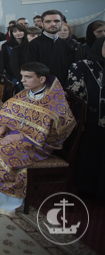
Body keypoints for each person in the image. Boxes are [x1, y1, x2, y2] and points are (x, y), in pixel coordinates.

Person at [0, 63, 75, 215]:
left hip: (38, 145)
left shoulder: (53, 102)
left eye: (28, 77)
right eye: (22, 76)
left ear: (42, 79)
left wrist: (20, 137)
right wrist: (3, 127)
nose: (22, 80)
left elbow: (53, 133)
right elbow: (12, 113)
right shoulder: (25, 93)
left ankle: (4, 201)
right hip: (13, 135)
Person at [66, 36, 105, 199]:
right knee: (90, 156)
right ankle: (88, 190)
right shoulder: (82, 66)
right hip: (90, 122)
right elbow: (74, 96)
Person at [25, 10, 74, 85]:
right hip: (42, 87)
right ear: (42, 24)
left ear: (62, 23)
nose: (53, 24)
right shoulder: (34, 44)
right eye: (48, 21)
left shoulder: (64, 44)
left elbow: (68, 67)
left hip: (63, 86)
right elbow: (31, 70)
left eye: (56, 21)